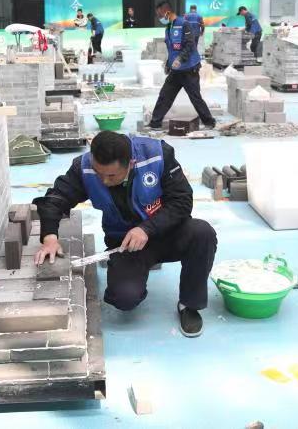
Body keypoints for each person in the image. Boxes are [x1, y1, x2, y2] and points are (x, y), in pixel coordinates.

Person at [33, 131, 217, 337]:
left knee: (202, 233)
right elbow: (55, 199)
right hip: (125, 244)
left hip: (167, 233)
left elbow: (182, 201)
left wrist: (146, 229)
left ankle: (189, 305)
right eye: (99, 173)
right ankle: (137, 268)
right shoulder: (84, 167)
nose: (104, 180)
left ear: (131, 163)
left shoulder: (157, 155)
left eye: (111, 176)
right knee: (124, 298)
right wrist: (50, 237)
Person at [146, 1, 216, 131]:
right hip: (176, 71)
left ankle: (209, 122)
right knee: (165, 95)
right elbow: (172, 49)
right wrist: (168, 63)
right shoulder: (168, 28)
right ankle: (155, 123)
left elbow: (190, 45)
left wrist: (180, 59)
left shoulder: (184, 24)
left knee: (195, 97)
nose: (159, 18)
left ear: (167, 12)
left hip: (189, 69)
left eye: (160, 15)